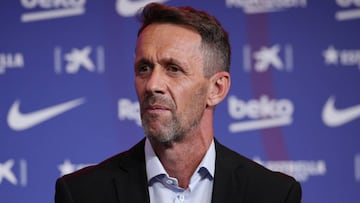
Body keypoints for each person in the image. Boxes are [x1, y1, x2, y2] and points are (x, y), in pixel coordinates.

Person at [55, 3, 302, 203]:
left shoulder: (273, 195)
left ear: (216, 89)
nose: (152, 84)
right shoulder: (82, 194)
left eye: (173, 69)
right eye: (144, 68)